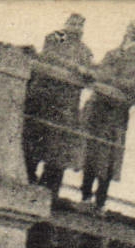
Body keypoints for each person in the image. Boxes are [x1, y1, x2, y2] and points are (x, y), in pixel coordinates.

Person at [78, 20, 135, 211]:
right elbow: (102, 75)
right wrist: (120, 83)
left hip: (117, 117)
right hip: (99, 113)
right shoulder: (112, 55)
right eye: (132, 35)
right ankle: (85, 197)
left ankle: (100, 201)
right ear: (125, 35)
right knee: (91, 156)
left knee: (109, 161)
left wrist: (117, 84)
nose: (134, 41)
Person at [22, 13, 93, 194]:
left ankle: (50, 192)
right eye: (72, 23)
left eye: (79, 25)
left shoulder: (84, 50)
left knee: (58, 152)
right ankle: (26, 181)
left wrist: (85, 71)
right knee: (34, 145)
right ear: (66, 23)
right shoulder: (56, 37)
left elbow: (89, 71)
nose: (74, 28)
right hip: (44, 101)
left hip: (66, 107)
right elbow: (48, 55)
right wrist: (74, 67)